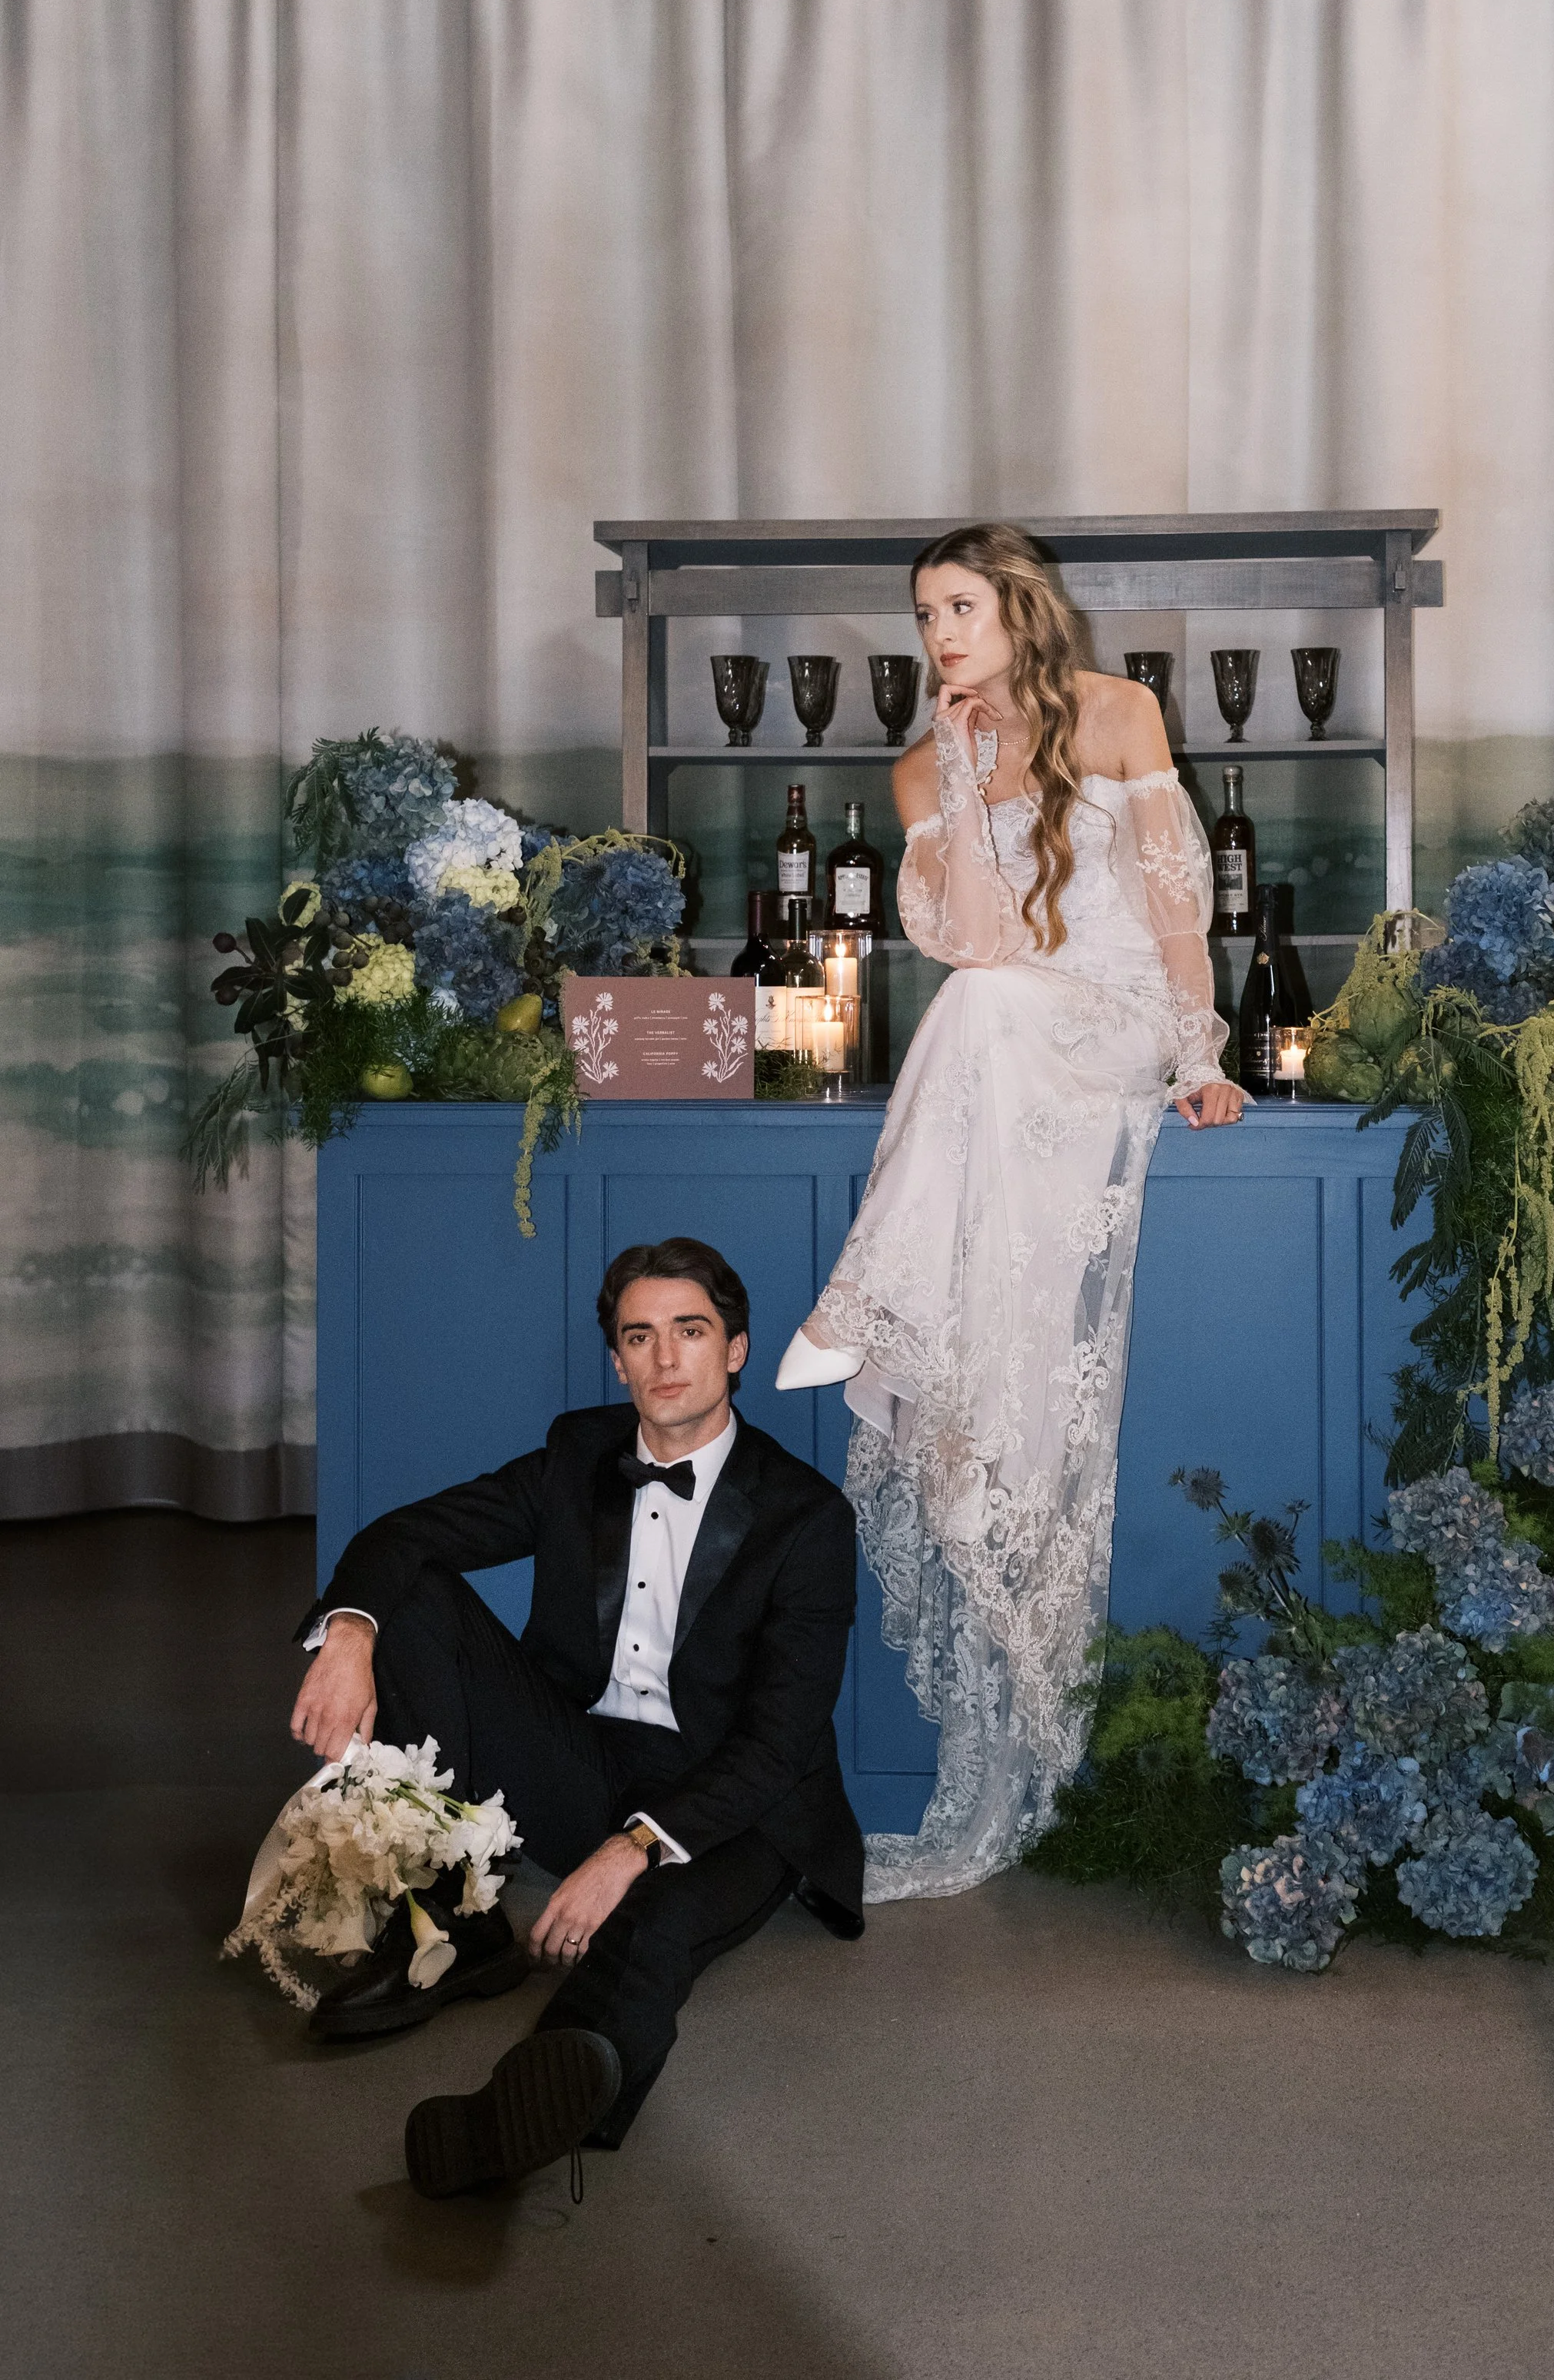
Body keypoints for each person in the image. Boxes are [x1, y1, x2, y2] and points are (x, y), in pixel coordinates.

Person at [773, 522, 1243, 1900]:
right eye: (924, 612)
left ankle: (864, 1305)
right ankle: (942, 1391)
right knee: (978, 995)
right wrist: (969, 778)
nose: (941, 632)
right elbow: (974, 938)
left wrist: (1202, 1057)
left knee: (990, 1011)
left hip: (1112, 1027)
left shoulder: (1116, 711)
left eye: (960, 604)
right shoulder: (926, 760)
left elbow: (1172, 906)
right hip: (1004, 1029)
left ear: (1017, 605)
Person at [287, 1236, 864, 2199]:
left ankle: (519, 2113)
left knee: (656, 1924)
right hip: (582, 1751)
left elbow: (778, 1744)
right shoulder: (577, 1454)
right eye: (641, 1337)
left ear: (736, 1351)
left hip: (733, 1796)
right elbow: (408, 1535)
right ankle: (451, 1921)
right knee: (411, 1596)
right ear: (618, 1359)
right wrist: (349, 1633)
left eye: (691, 1331)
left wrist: (632, 1847)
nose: (665, 1358)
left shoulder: (806, 1519)